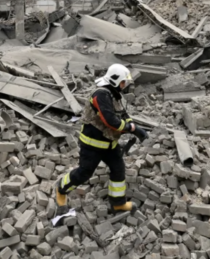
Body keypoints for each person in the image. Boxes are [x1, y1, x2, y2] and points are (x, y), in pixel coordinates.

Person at [55, 64, 147, 213]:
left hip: (110, 144)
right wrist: (132, 129)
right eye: (123, 82)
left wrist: (132, 125)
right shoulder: (100, 95)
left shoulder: (115, 96)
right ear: (115, 81)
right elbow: (110, 120)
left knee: (118, 169)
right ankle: (61, 189)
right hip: (92, 144)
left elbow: (123, 115)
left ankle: (118, 203)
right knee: (84, 173)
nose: (124, 85)